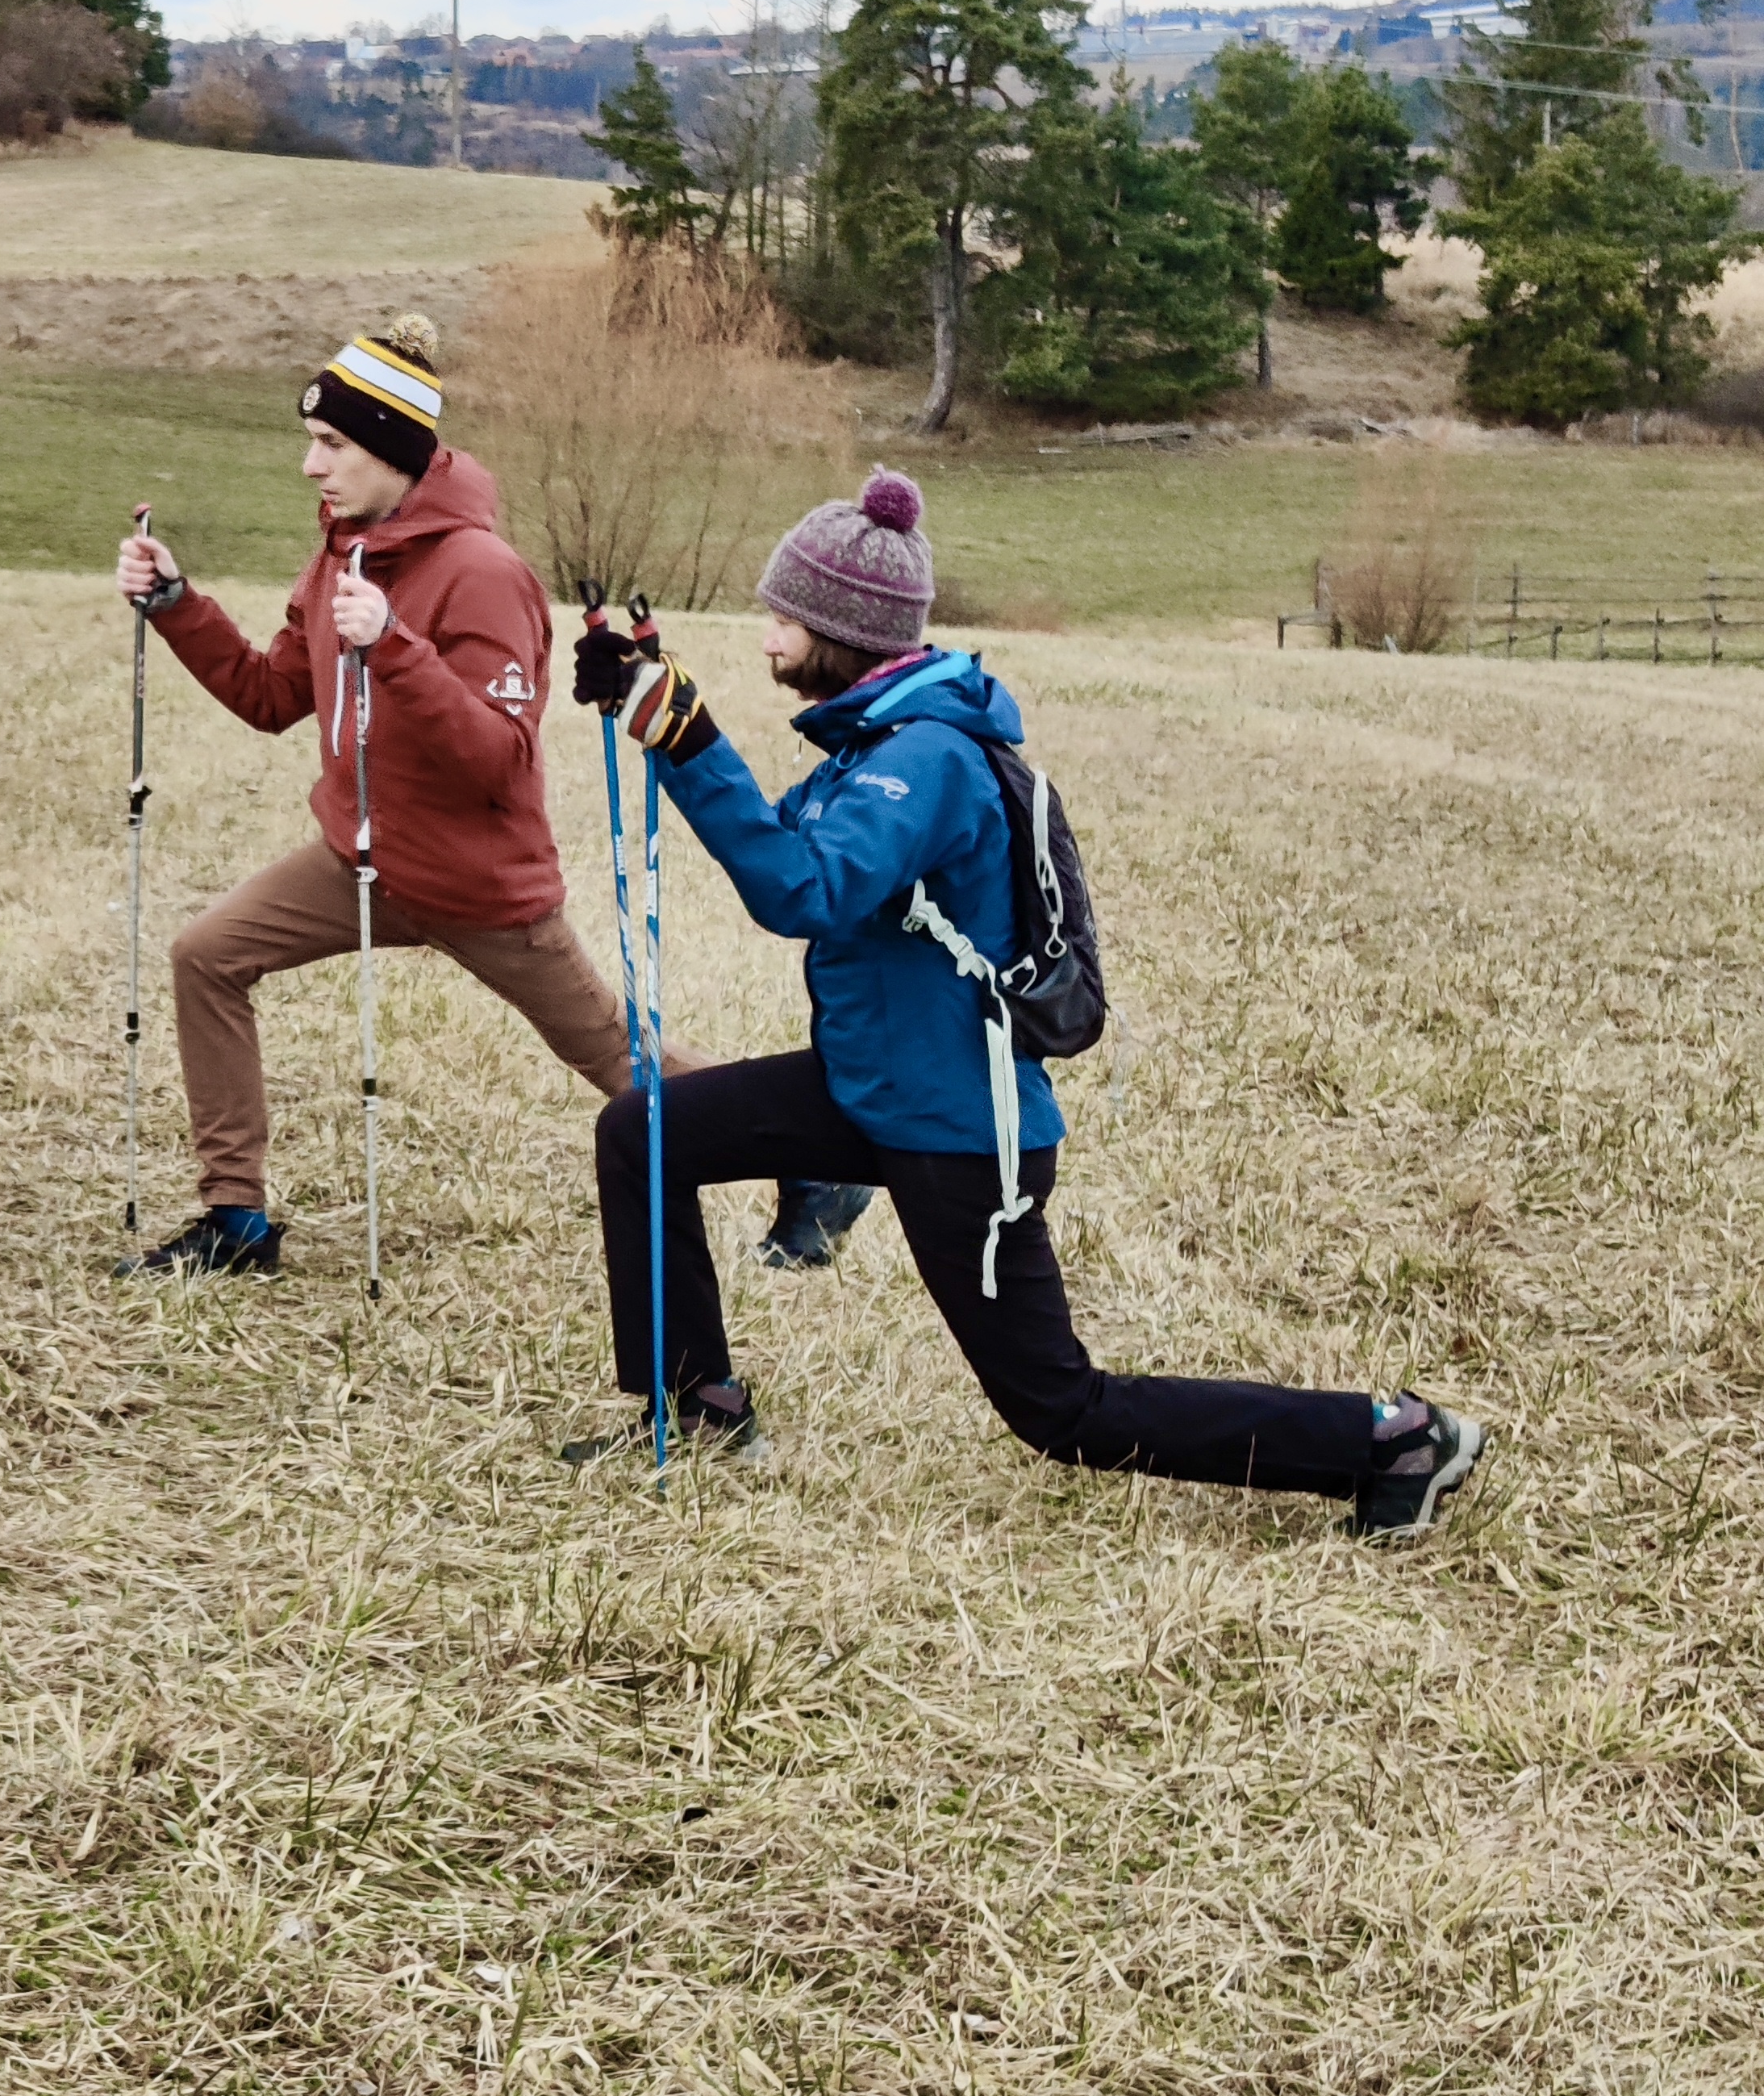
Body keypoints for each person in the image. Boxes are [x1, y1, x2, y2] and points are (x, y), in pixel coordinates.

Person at [562, 467, 1488, 1540]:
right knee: (644, 1132)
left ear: (841, 630)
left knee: (1062, 1412)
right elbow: (795, 848)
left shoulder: (929, 759)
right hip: (875, 1088)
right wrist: (656, 706)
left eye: (783, 614)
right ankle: (698, 1404)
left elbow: (801, 892)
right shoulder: (875, 740)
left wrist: (686, 734)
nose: (767, 632)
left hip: (961, 1133)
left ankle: (1389, 1439)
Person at [111, 311, 869, 1279]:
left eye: (331, 444)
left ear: (391, 450)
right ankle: (235, 1220)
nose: (311, 465)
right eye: (311, 442)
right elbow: (269, 700)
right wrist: (180, 604)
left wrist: (390, 643)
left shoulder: (483, 574)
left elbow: (496, 760)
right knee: (205, 957)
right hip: (357, 860)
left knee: (613, 1058)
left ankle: (818, 1163)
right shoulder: (337, 556)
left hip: (480, 886)